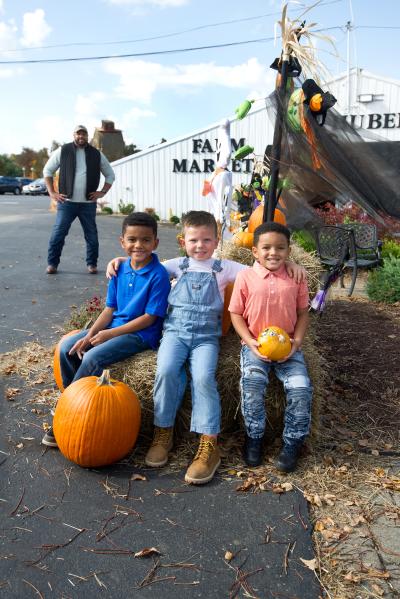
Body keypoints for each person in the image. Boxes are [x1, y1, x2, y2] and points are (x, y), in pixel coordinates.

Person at [106, 211, 306, 485]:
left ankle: (208, 444)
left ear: (216, 241)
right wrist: (120, 261)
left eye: (207, 240)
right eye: (194, 240)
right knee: (165, 370)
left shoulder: (225, 267)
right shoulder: (175, 265)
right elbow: (142, 265)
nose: (200, 246)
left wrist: (293, 262)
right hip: (175, 333)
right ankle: (163, 432)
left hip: (205, 338)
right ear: (183, 241)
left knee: (203, 378)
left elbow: (264, 265)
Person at [42, 212, 170, 447]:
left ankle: (66, 413)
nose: (138, 245)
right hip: (113, 326)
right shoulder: (119, 269)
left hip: (139, 334)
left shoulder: (158, 274)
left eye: (145, 240)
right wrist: (90, 335)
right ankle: (76, 405)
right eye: (132, 239)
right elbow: (110, 309)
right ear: (122, 242)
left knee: (91, 357)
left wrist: (107, 335)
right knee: (67, 348)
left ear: (155, 242)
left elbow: (150, 318)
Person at [229, 221, 313, 472]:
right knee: (252, 385)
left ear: (288, 251)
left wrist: (296, 342)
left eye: (280, 248)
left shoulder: (297, 277)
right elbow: (235, 314)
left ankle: (293, 443)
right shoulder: (245, 277)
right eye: (266, 247)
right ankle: (254, 438)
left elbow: (303, 313)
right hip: (256, 346)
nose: (273, 253)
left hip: (288, 346)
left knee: (301, 388)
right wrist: (250, 342)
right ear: (255, 251)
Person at [43, 125, 115, 274]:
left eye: (84, 134)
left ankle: (92, 264)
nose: (81, 136)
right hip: (66, 203)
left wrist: (101, 192)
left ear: (87, 136)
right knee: (58, 234)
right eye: (78, 134)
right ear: (73, 135)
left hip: (88, 204)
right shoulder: (63, 151)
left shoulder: (96, 154)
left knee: (92, 236)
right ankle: (52, 264)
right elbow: (47, 170)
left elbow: (110, 175)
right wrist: (52, 192)